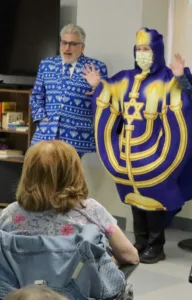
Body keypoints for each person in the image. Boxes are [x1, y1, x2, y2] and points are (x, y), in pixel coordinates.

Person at [81, 27, 192, 264]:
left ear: (157, 52)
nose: (142, 53)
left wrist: (182, 76)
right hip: (127, 152)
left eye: (147, 49)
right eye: (139, 49)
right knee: (134, 197)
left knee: (154, 198)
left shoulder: (168, 78)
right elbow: (107, 97)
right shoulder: (124, 78)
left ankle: (156, 244)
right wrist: (98, 86)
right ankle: (140, 241)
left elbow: (189, 98)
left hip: (158, 153)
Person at [0, 140, 139, 266]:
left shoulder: (10, 214)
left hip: (23, 292)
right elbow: (130, 256)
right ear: (74, 172)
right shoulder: (91, 210)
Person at [30, 24, 108, 158]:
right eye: (64, 43)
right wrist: (42, 118)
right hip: (46, 132)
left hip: (77, 136)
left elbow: (105, 103)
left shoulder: (96, 67)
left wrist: (97, 87)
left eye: (72, 44)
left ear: (82, 47)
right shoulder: (47, 64)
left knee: (67, 177)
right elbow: (36, 96)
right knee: (41, 174)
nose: (67, 48)